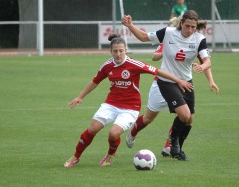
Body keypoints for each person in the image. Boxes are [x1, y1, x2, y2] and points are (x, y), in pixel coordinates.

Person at [64, 34, 193, 168]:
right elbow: (95, 81)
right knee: (92, 129)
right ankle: (76, 156)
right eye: (115, 51)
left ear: (126, 50)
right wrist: (80, 97)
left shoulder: (134, 64)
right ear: (111, 51)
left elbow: (157, 71)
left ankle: (110, 155)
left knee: (113, 134)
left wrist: (178, 81)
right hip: (111, 103)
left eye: (121, 50)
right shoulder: (107, 65)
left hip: (130, 107)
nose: (118, 54)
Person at [122, 10, 218, 160]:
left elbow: (207, 61)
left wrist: (204, 69)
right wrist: (130, 26)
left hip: (185, 82)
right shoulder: (168, 33)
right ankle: (149, 137)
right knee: (152, 118)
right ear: (181, 23)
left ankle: (176, 149)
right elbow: (144, 37)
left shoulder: (199, 39)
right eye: (187, 26)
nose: (190, 30)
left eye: (193, 27)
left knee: (189, 119)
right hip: (166, 81)